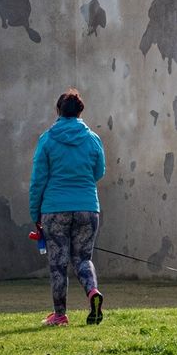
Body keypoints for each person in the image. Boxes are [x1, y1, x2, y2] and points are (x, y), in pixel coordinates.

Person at [28, 88, 107, 326]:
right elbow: (99, 171)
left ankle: (60, 315)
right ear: (80, 111)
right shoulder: (93, 139)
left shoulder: (47, 139)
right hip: (87, 207)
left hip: (55, 209)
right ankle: (93, 292)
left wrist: (35, 213)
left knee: (58, 263)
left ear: (58, 111)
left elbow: (38, 180)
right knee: (83, 258)